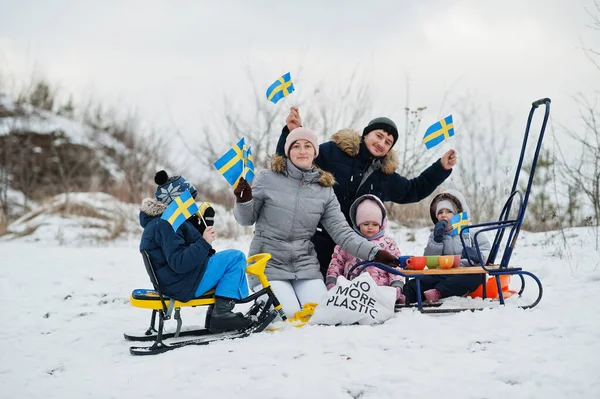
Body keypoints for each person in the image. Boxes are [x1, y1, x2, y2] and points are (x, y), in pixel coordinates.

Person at [233, 127, 400, 317]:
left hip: (305, 265)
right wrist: (244, 201)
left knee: (321, 313)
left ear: (315, 153)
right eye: (296, 146)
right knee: (286, 315)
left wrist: (374, 253)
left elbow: (342, 233)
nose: (302, 151)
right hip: (267, 265)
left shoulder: (324, 190)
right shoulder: (267, 178)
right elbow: (245, 220)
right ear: (288, 151)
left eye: (307, 146)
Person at [276, 107, 456, 277]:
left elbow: (414, 190)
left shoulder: (385, 176)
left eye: (388, 142)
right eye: (379, 136)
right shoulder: (333, 152)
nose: (381, 143)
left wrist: (441, 168)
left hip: (354, 250)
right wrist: (292, 132)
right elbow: (294, 163)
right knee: (313, 296)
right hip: (316, 240)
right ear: (366, 134)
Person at [139, 170, 253, 333]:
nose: (192, 204)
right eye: (189, 200)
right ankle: (221, 315)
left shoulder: (163, 222)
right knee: (235, 258)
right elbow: (179, 262)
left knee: (227, 259)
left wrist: (201, 225)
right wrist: (204, 241)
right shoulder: (167, 224)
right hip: (182, 284)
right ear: (176, 201)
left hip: (176, 282)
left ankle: (216, 313)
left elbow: (184, 249)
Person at [402, 189, 492, 304]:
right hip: (444, 272)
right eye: (440, 212)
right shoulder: (435, 235)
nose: (443, 215)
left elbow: (487, 250)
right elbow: (430, 261)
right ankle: (406, 296)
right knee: (421, 280)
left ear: (457, 214)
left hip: (467, 271)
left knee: (474, 277)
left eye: (448, 211)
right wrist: (436, 241)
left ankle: (439, 292)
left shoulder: (471, 232)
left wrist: (477, 256)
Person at [325, 194, 405, 303]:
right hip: (352, 292)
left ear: (381, 224)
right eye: (366, 224)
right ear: (358, 224)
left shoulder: (388, 243)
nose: (370, 227)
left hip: (380, 291)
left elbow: (394, 266)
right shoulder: (349, 242)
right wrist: (332, 281)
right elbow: (337, 262)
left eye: (375, 224)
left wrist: (396, 285)